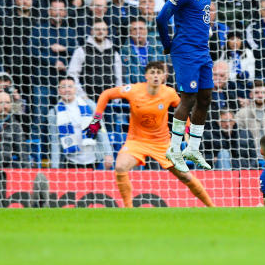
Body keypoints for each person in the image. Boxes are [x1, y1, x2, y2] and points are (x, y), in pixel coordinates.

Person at [82, 61, 215, 208]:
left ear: (164, 76)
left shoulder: (169, 93)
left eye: (159, 73)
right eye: (152, 72)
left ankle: (212, 208)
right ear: (146, 75)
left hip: (161, 143)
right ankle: (129, 209)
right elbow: (106, 94)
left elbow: (182, 109)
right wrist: (96, 119)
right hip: (136, 142)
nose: (155, 76)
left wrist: (187, 128)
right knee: (120, 167)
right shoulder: (133, 90)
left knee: (185, 175)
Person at [155, 0, 215, 172]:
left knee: (205, 98)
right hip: (185, 51)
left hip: (202, 51)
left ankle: (193, 148)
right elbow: (162, 17)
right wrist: (167, 45)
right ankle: (174, 148)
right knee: (188, 99)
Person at [49, 76, 114, 169]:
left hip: (93, 159)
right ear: (59, 90)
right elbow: (55, 142)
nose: (67, 90)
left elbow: (101, 130)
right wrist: (54, 167)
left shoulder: (90, 105)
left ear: (75, 89)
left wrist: (108, 154)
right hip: (70, 161)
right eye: (63, 87)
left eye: (70, 87)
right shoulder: (54, 113)